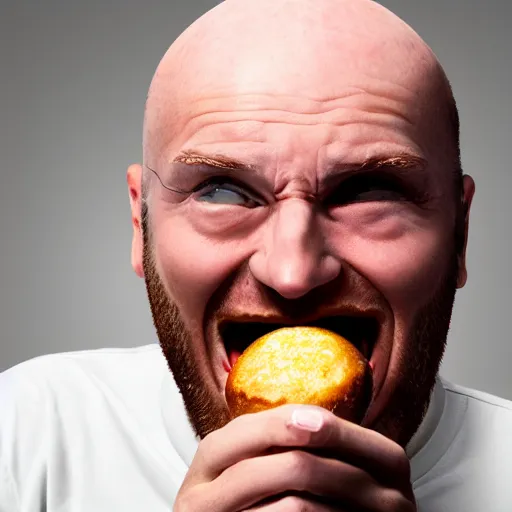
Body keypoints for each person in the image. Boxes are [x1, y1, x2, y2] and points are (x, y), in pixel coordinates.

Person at [1, 0, 511, 510]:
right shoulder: (25, 438)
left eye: (369, 192)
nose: (293, 274)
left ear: (460, 232)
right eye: (221, 190)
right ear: (142, 226)